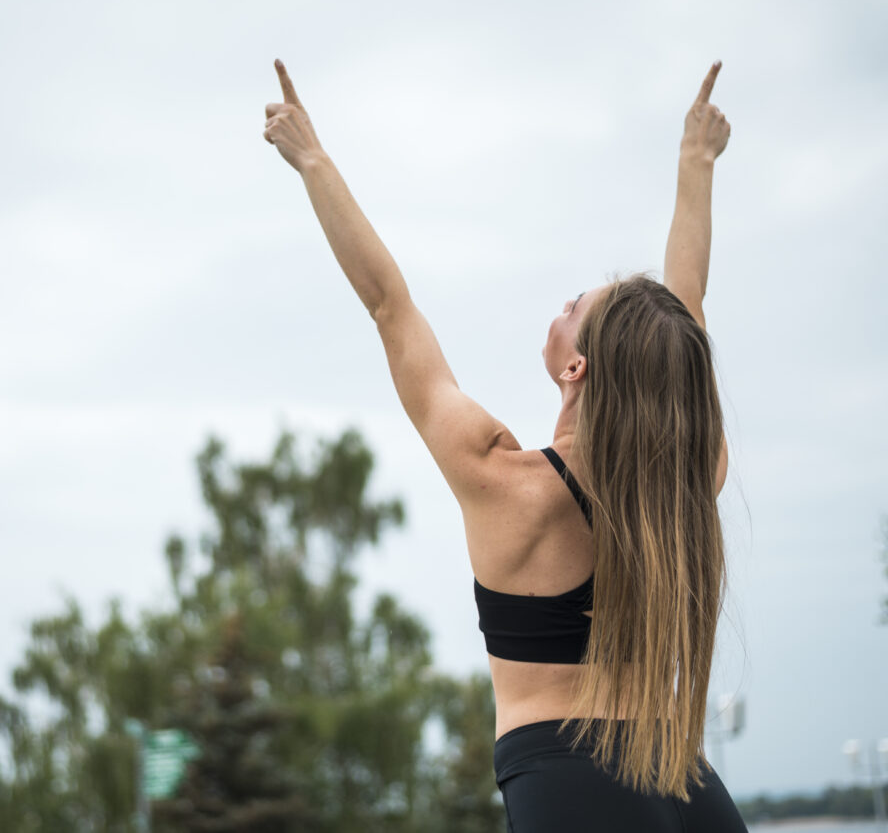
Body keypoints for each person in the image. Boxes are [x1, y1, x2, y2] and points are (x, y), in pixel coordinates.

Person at [264, 57, 747, 832]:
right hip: (690, 793)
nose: (560, 306)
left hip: (569, 790)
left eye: (572, 306)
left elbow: (391, 306)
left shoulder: (505, 485)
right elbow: (684, 322)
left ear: (578, 367)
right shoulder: (687, 484)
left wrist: (313, 162)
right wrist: (697, 165)